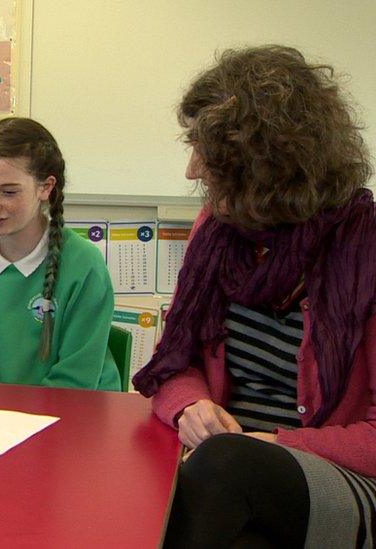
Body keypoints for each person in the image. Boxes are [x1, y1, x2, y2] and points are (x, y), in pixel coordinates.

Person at [132, 46, 376, 548]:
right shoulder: (216, 234)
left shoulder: (365, 251)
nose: (192, 172)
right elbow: (172, 364)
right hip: (228, 475)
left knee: (227, 468)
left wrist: (276, 446)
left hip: (342, 477)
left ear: (272, 164)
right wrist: (191, 406)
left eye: (210, 155)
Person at [0, 117, 120, 390]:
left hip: (71, 416)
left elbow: (75, 382)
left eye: (8, 192)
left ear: (45, 187)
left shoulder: (84, 266)